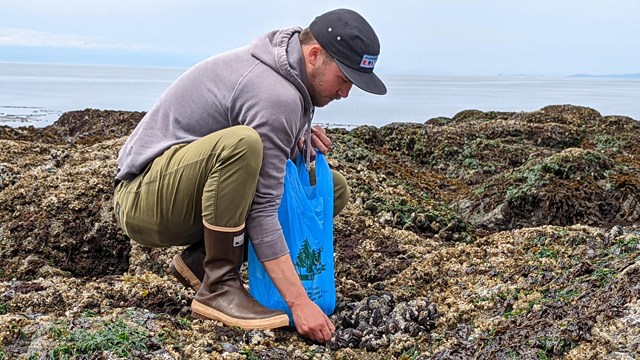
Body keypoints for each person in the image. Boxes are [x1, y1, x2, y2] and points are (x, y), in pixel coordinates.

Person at [113, 8, 386, 343]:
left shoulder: (290, 76)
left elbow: (264, 170)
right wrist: (298, 303)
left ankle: (200, 262)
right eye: (344, 79)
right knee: (242, 145)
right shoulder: (275, 93)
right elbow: (262, 209)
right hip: (143, 199)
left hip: (180, 190)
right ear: (314, 55)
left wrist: (295, 138)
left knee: (330, 190)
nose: (345, 93)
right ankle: (218, 287)